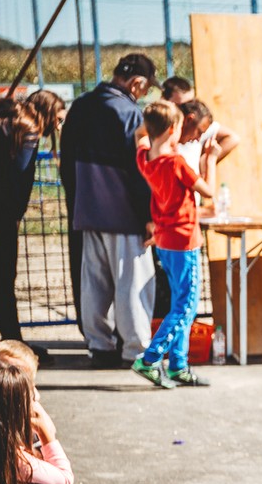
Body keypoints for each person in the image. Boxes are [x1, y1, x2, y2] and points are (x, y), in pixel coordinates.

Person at [59, 52, 159, 369]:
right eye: (145, 88)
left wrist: (78, 202)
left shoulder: (81, 106)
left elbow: (65, 164)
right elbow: (140, 169)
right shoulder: (129, 113)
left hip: (87, 209)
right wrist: (149, 214)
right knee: (132, 282)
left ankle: (99, 346)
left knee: (94, 282)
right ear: (137, 83)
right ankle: (136, 349)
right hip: (124, 212)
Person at [0, 90, 65, 346]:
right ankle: (9, 341)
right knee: (3, 279)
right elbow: (20, 176)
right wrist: (14, 215)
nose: (58, 126)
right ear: (48, 114)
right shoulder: (26, 129)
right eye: (58, 119)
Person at [132, 101, 213, 388]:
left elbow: (141, 136)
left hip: (165, 240)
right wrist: (210, 159)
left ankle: (178, 364)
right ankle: (150, 358)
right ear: (171, 130)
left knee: (181, 303)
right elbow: (208, 190)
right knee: (186, 305)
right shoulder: (177, 164)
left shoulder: (145, 159)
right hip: (184, 240)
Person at [176, 99, 240, 200]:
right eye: (199, 132)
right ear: (189, 119)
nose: (198, 139)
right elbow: (208, 191)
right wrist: (211, 158)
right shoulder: (175, 160)